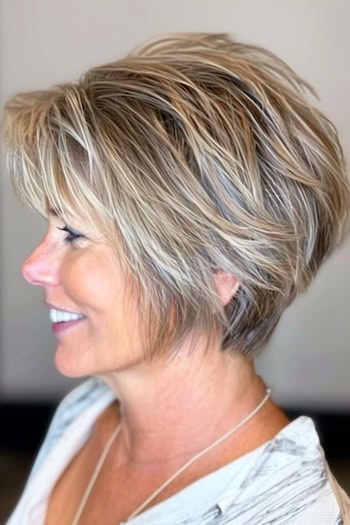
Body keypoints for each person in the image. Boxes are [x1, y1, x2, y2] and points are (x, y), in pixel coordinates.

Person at [3, 32, 350, 525]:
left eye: (74, 234)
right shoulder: (87, 414)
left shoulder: (288, 514)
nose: (32, 267)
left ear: (217, 274)